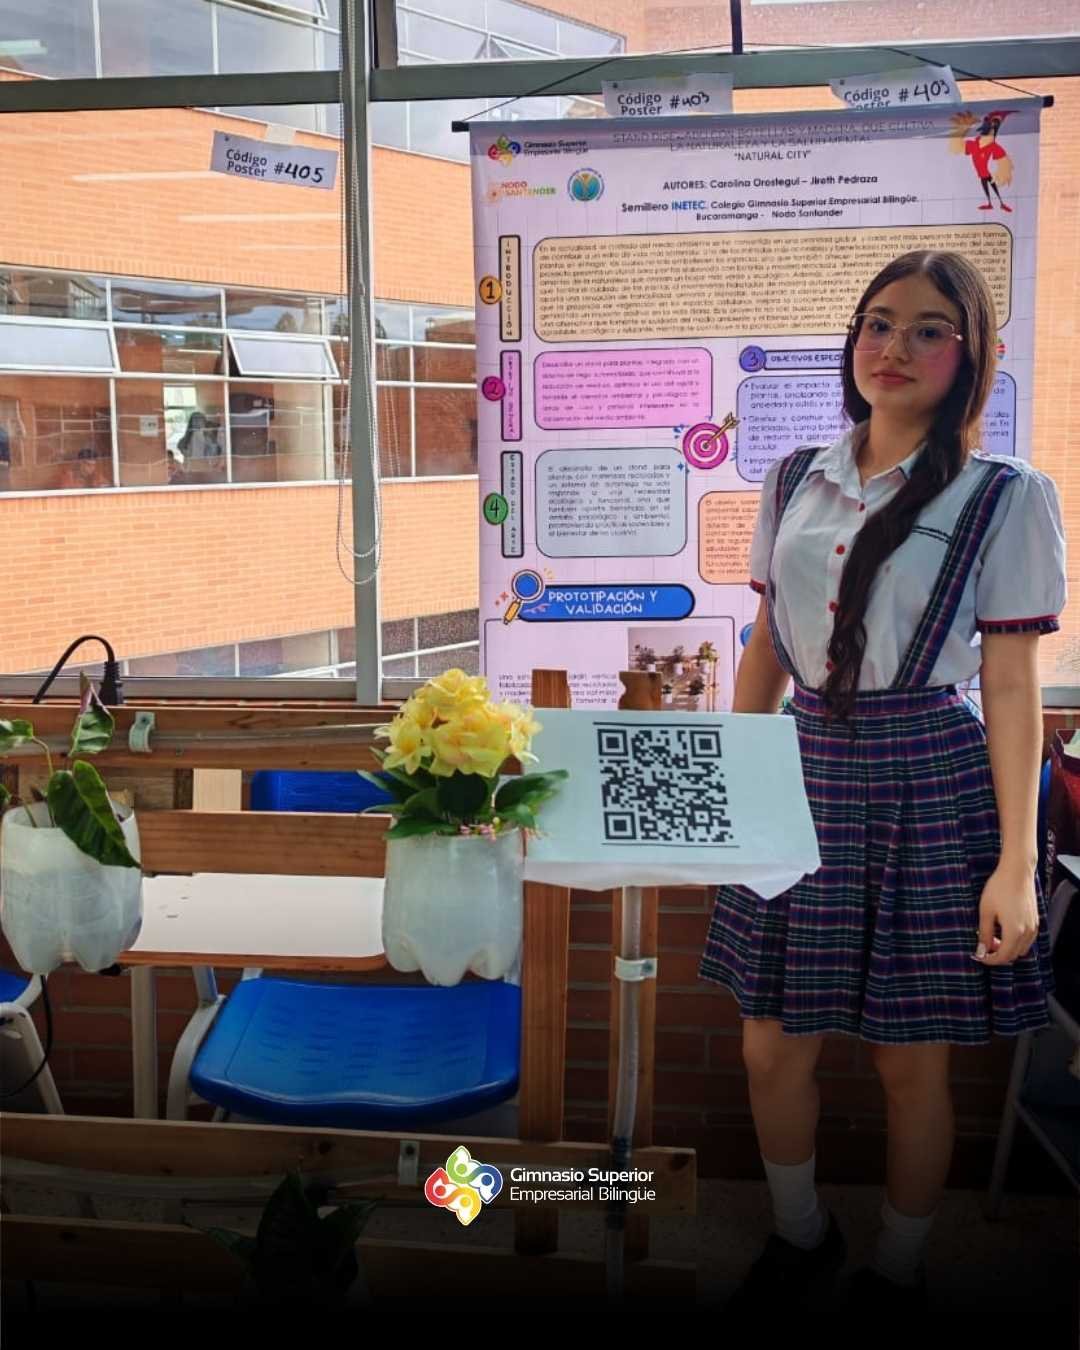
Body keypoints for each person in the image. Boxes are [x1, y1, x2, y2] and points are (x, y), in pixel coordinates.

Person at [699, 250, 1066, 1331]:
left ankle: (900, 1269)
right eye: (877, 323)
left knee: (912, 1062)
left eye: (928, 329)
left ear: (970, 354)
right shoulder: (792, 478)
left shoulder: (1006, 495)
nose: (895, 347)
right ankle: (800, 1232)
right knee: (770, 1044)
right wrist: (735, 779)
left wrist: (1016, 862)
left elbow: (1011, 685)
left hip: (927, 777)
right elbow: (768, 642)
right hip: (803, 769)